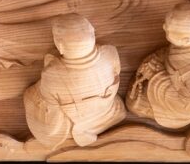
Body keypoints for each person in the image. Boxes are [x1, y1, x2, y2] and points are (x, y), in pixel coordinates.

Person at [23, 14, 125, 148]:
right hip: (110, 113)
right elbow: (116, 72)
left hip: (77, 124)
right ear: (93, 34)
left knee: (30, 95)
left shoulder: (52, 74)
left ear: (60, 46)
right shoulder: (110, 53)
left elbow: (54, 115)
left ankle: (81, 129)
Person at [127, 3, 190, 129]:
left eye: (168, 31)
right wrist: (158, 58)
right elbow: (174, 54)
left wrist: (156, 74)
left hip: (182, 104)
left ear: (186, 40)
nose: (164, 27)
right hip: (174, 79)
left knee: (134, 105)